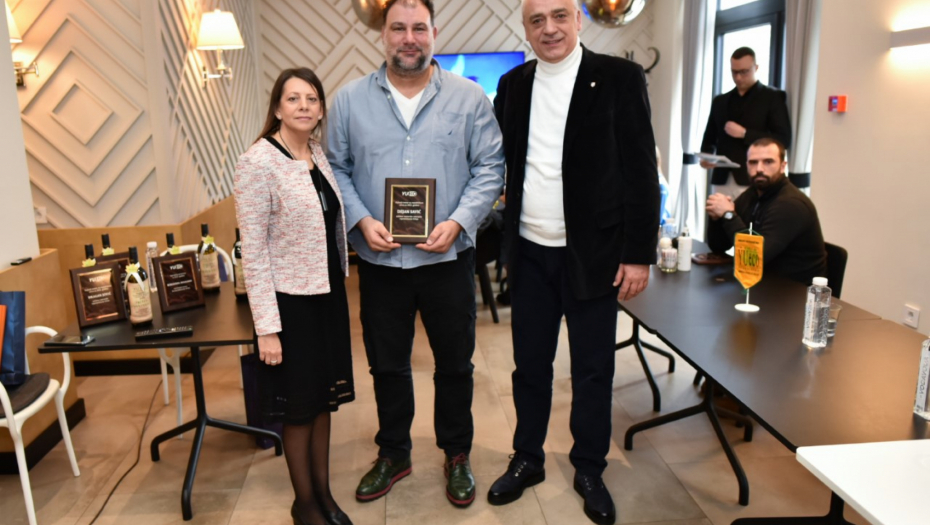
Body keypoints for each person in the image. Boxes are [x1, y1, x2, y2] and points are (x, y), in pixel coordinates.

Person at [326, 0, 504, 508]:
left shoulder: (469, 98)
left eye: (419, 28)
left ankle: (457, 454)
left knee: (455, 365)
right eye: (399, 28)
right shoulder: (349, 101)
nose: (409, 38)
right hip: (380, 262)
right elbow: (335, 168)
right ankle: (393, 453)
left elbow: (490, 168)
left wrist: (458, 221)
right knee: (387, 365)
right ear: (383, 34)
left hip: (447, 260)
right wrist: (362, 219)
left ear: (434, 33)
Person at [487, 1, 660, 524]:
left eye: (560, 16)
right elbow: (499, 162)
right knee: (529, 368)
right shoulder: (513, 85)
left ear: (579, 20)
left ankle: (589, 468)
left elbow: (640, 170)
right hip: (530, 254)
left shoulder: (620, 78)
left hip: (594, 256)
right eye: (537, 20)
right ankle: (528, 457)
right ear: (525, 28)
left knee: (592, 371)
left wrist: (638, 255)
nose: (550, 29)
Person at [235, 68, 355, 525]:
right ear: (277, 108)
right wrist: (266, 328)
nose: (303, 106)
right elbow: (253, 251)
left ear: (321, 109)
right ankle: (304, 505)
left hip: (327, 296)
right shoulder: (258, 162)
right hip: (290, 305)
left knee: (322, 401)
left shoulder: (316, 153)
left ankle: (323, 495)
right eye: (293, 98)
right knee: (300, 407)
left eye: (312, 98)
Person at [706, 138, 826, 285]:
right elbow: (719, 246)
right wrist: (717, 217)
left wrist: (728, 215)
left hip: (792, 291)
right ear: (746, 165)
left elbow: (752, 259)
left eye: (768, 162)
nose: (759, 169)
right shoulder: (752, 194)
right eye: (753, 162)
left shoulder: (791, 204)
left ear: (782, 166)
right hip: (761, 281)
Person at [700, 47, 791, 200]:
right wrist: (707, 157)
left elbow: (783, 139)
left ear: (756, 68)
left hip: (754, 177)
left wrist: (745, 134)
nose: (738, 77)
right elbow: (710, 137)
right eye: (734, 72)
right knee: (718, 214)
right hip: (722, 178)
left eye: (744, 72)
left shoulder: (772, 98)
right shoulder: (720, 101)